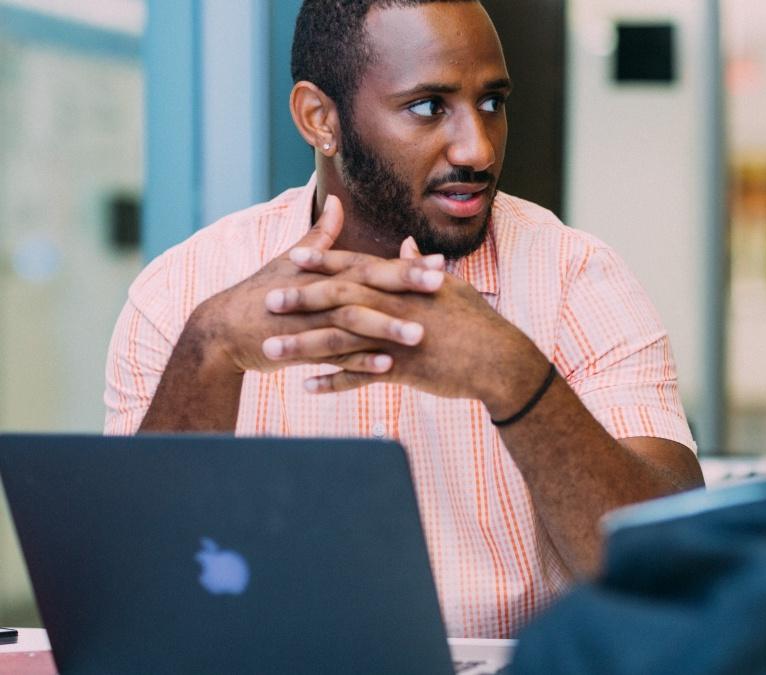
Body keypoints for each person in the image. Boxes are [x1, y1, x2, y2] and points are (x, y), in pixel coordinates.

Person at [104, 0, 703, 638]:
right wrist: (209, 352)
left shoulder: (579, 280)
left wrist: (514, 375)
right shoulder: (181, 294)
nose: (477, 148)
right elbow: (130, 596)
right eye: (428, 106)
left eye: (492, 102)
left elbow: (678, 573)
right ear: (319, 119)